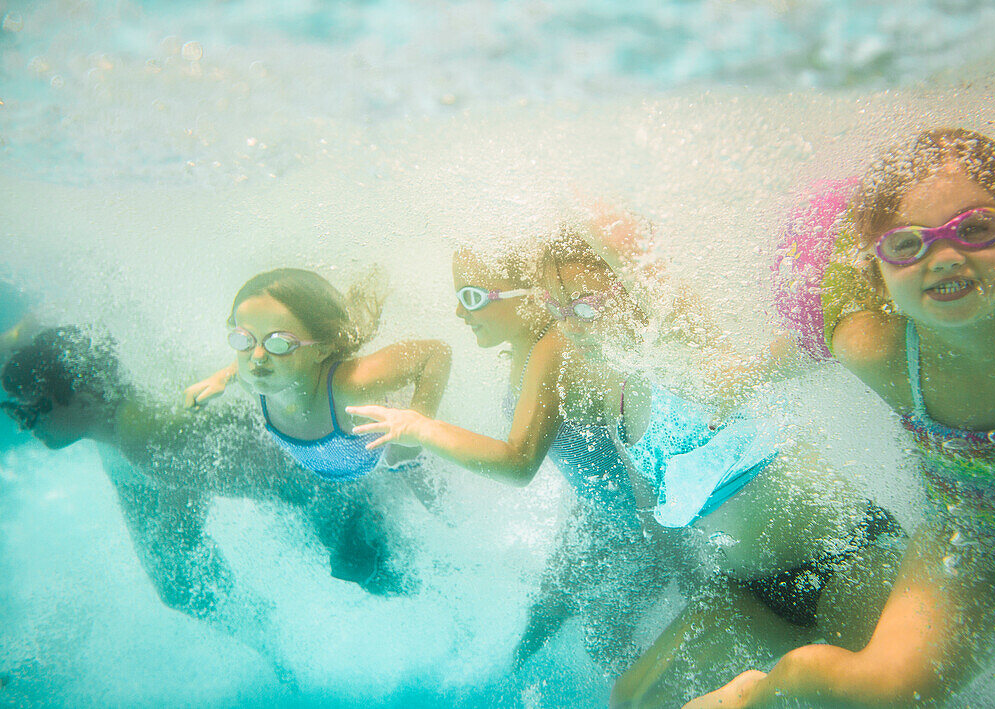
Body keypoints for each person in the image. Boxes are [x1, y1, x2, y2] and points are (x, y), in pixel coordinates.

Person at [686, 128, 995, 708]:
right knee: (876, 694)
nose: (948, 255)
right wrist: (736, 379)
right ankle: (759, 692)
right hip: (972, 554)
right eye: (909, 245)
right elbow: (814, 328)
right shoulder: (881, 354)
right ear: (878, 269)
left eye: (975, 229)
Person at [531, 228, 906, 709]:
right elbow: (661, 507)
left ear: (628, 289)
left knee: (874, 698)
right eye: (557, 310)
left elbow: (625, 244)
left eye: (584, 306)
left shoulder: (679, 340)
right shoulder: (611, 392)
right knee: (632, 698)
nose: (573, 326)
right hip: (750, 589)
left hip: (845, 556)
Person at [348, 242, 678, 675]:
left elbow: (519, 462)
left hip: (641, 528)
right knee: (541, 616)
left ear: (531, 295)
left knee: (605, 644)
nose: (459, 313)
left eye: (472, 297)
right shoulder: (529, 344)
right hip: (596, 512)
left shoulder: (557, 347)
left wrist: (418, 428)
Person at [0, 326, 385, 682]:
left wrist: (348, 534)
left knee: (374, 571)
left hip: (342, 470)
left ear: (84, 402)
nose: (22, 424)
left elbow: (297, 473)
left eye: (31, 411)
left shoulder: (154, 440)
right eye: (13, 410)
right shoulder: (117, 434)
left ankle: (303, 654)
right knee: (177, 583)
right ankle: (281, 649)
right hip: (152, 455)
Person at [184, 267, 452, 593]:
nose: (255, 358)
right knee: (346, 565)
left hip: (393, 462)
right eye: (243, 339)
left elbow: (436, 353)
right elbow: (251, 360)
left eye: (280, 343)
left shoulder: (350, 387)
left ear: (322, 349)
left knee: (448, 521)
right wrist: (221, 378)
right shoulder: (257, 378)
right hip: (332, 475)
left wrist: (414, 433)